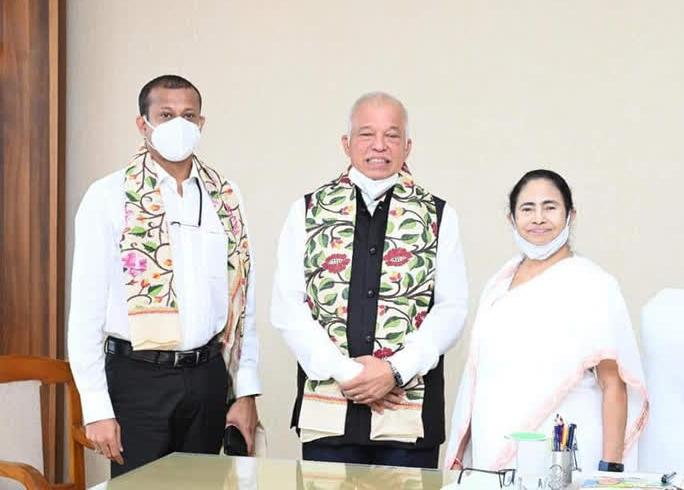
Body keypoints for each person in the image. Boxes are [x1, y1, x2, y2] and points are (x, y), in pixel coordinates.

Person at [68, 75, 262, 477]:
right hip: (138, 378)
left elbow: (244, 303)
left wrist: (244, 392)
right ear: (143, 124)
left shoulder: (224, 196)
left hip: (207, 376)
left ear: (201, 124)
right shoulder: (109, 195)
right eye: (166, 115)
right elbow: (85, 311)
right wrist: (97, 408)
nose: (179, 124)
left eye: (188, 115)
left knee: (205, 487)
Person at [270, 92, 468, 469]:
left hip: (408, 419)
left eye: (392, 135)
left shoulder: (438, 214)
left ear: (407, 146)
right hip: (328, 415)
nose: (379, 146)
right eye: (366, 134)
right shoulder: (308, 210)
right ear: (346, 143)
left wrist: (394, 371)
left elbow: (451, 307)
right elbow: (287, 305)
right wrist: (350, 374)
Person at [445, 169, 649, 474]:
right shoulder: (498, 283)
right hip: (494, 450)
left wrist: (610, 469)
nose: (538, 218)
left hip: (563, 454)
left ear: (570, 215)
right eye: (527, 209)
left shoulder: (592, 283)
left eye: (550, 207)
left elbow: (613, 384)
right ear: (511, 219)